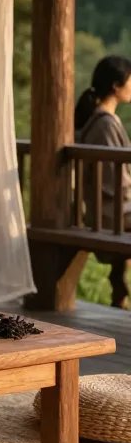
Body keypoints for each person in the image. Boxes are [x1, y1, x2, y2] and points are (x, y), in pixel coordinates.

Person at [74, 55, 131, 308]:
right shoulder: (105, 124)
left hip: (109, 208)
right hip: (111, 212)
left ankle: (119, 291)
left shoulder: (100, 120)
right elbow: (113, 183)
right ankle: (119, 290)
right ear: (116, 86)